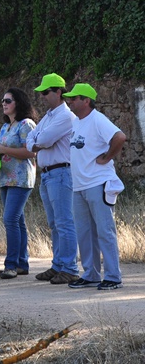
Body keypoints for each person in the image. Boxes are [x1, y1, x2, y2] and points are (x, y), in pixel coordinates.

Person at [63, 83, 126, 291]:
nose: (70, 101)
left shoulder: (97, 119)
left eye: (74, 98)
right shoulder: (77, 122)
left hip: (98, 183)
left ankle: (113, 276)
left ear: (86, 100)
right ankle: (90, 274)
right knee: (85, 233)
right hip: (79, 186)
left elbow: (119, 137)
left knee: (104, 231)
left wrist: (107, 157)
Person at [26, 74, 79, 285]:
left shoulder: (65, 116)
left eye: (46, 92)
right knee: (54, 223)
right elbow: (31, 140)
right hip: (49, 174)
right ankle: (59, 265)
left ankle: (69, 267)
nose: (43, 96)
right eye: (41, 92)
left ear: (58, 92)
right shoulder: (49, 116)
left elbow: (43, 140)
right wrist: (37, 142)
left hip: (61, 173)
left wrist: (37, 142)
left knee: (64, 222)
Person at [0, 88, 38, 280]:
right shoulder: (6, 126)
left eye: (8, 100)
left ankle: (11, 265)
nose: (4, 104)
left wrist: (2, 148)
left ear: (19, 103)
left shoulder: (26, 125)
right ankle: (22, 263)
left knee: (10, 220)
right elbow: (1, 148)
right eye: (2, 101)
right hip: (5, 178)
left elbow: (31, 152)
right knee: (18, 221)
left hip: (20, 178)